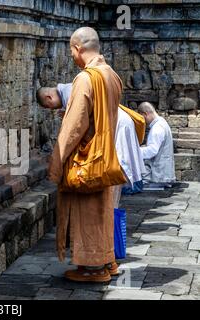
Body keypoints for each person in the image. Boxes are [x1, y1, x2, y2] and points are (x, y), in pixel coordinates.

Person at [46, 26, 123, 283]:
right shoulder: (111, 75)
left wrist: (56, 161)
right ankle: (107, 260)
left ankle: (93, 268)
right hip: (105, 154)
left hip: (86, 159)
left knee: (87, 212)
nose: (71, 56)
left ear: (78, 48)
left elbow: (74, 126)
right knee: (103, 210)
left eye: (71, 50)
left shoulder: (86, 78)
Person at [37, 84, 146, 197]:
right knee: (118, 160)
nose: (51, 109)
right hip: (113, 120)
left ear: (48, 97)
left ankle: (124, 190)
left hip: (116, 122)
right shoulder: (70, 92)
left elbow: (80, 124)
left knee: (120, 160)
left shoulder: (72, 92)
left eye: (48, 106)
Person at [138, 102, 176, 188]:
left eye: (142, 117)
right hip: (162, 175)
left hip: (159, 176)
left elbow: (152, 151)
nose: (143, 121)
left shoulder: (157, 128)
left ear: (145, 114)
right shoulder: (162, 123)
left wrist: (134, 151)